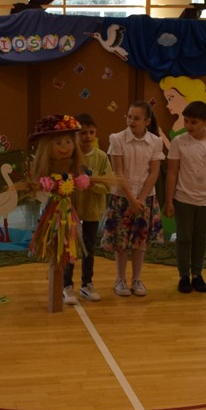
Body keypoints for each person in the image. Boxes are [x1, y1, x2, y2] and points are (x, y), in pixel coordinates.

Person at [24, 114, 92, 312]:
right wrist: (46, 183)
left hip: (69, 213)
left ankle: (67, 287)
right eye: (59, 142)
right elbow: (40, 184)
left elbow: (77, 180)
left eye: (68, 142)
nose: (65, 147)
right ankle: (59, 291)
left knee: (67, 248)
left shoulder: (73, 167)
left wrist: (81, 181)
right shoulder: (47, 168)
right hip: (53, 214)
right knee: (55, 247)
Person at [163, 99, 206, 293]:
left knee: (201, 239)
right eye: (186, 121)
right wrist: (169, 201)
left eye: (194, 122)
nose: (188, 126)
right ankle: (184, 275)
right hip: (183, 199)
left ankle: (197, 274)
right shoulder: (178, 142)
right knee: (184, 238)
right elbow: (172, 173)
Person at [102, 100, 165, 297]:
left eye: (136, 118)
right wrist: (131, 200)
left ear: (147, 121)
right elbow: (118, 172)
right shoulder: (117, 139)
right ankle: (120, 279)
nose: (131, 121)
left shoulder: (156, 141)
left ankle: (136, 279)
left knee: (140, 240)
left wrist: (141, 199)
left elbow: (154, 173)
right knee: (121, 241)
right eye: (129, 117)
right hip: (122, 197)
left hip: (145, 198)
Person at [73, 113, 112, 302]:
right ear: (75, 134)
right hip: (71, 210)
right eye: (83, 133)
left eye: (91, 132)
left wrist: (91, 184)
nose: (87, 136)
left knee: (89, 248)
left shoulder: (101, 157)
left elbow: (108, 186)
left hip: (92, 211)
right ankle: (66, 285)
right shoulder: (69, 155)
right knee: (70, 248)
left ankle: (86, 284)